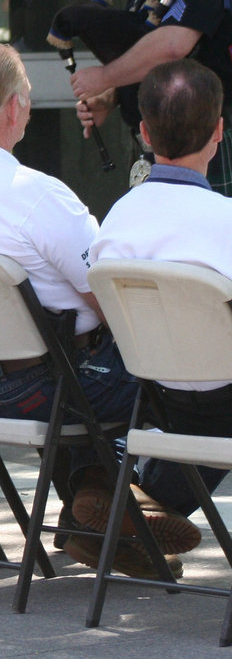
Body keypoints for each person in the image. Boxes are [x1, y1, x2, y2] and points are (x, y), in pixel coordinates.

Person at [0, 42, 197, 576]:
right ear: (14, 108)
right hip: (47, 390)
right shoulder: (36, 196)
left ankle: (102, 510)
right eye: (28, 97)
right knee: (192, 376)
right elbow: (111, 300)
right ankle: (116, 509)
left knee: (90, 366)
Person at [90, 59, 232, 539]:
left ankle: (132, 514)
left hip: (158, 393)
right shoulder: (226, 221)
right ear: (218, 131)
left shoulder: (117, 221)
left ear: (145, 134)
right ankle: (139, 514)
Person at [69, 0, 232, 194]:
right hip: (162, 144)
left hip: (205, 145)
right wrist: (111, 96)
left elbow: (172, 46)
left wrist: (105, 77)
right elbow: (144, 57)